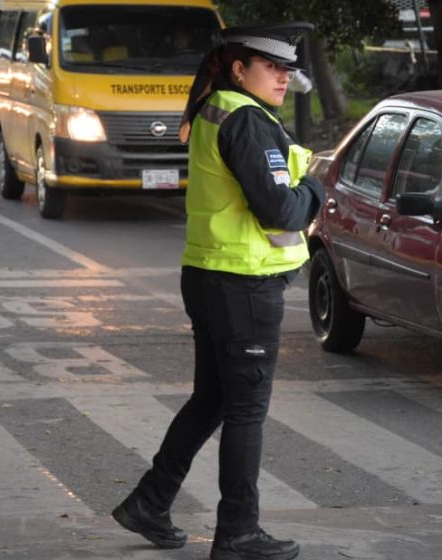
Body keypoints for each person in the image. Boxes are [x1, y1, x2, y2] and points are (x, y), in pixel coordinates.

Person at [111, 22, 324, 560]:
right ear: (238, 68)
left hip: (209, 274)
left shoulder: (217, 109)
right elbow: (280, 208)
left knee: (212, 399)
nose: (284, 76)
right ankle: (237, 532)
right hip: (243, 285)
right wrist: (315, 191)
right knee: (246, 410)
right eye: (272, 66)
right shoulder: (246, 120)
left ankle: (149, 504)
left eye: (287, 69)